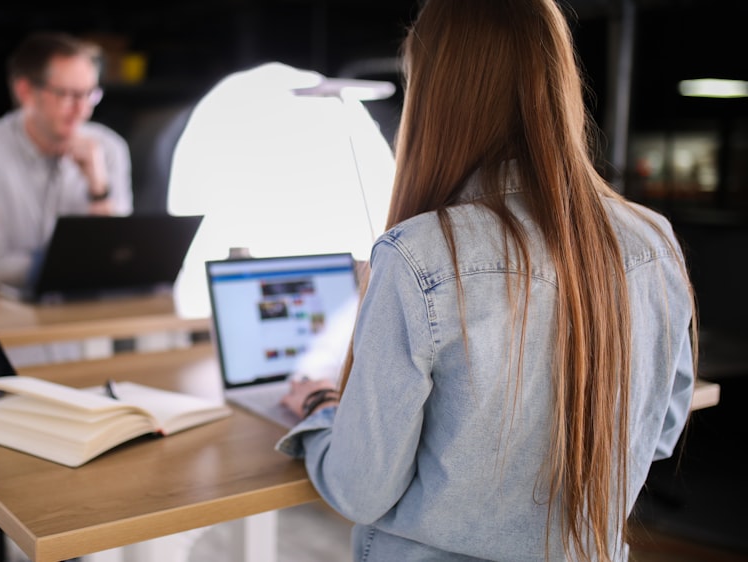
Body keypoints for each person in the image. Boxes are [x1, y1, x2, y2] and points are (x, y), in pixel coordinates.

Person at [277, 1, 697, 560]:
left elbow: (360, 489)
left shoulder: (419, 257)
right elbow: (661, 429)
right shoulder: (654, 239)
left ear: (437, 94)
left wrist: (321, 409)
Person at [0, 31, 132, 287]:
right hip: (11, 316)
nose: (83, 109)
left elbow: (122, 258)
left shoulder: (108, 148)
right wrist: (75, 263)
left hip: (89, 310)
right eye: (67, 95)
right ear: (25, 91)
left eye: (89, 94)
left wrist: (98, 189)